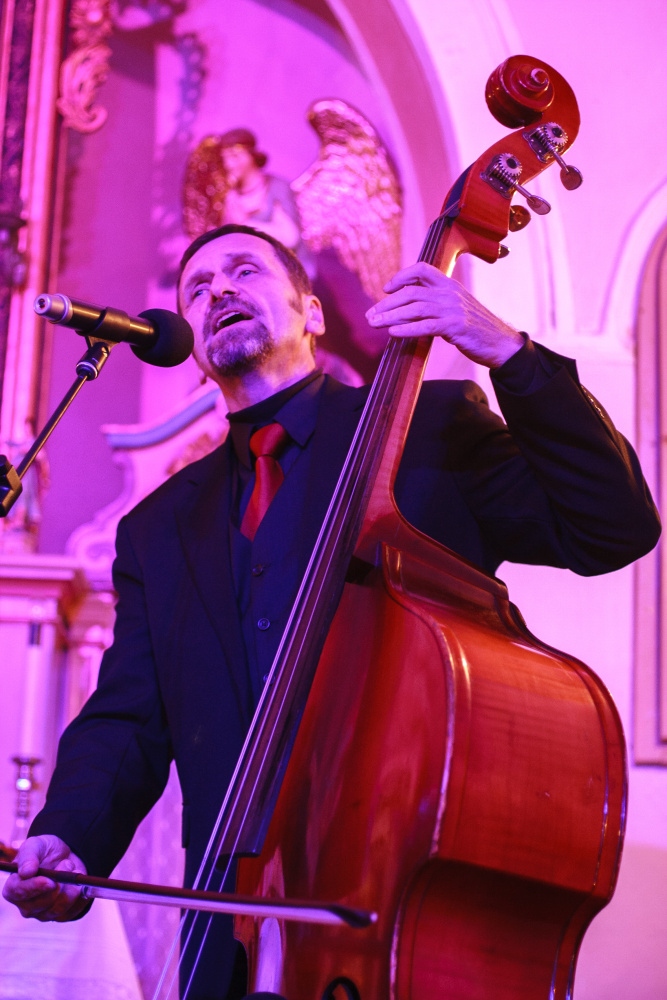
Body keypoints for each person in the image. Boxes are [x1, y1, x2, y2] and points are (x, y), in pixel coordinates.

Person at [3, 224, 660, 999]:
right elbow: (128, 717)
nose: (218, 291)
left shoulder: (427, 429)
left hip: (394, 912)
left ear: (311, 313)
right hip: (227, 921)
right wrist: (71, 835)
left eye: (243, 271)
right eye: (197, 288)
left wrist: (509, 355)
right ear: (195, 348)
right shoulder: (158, 527)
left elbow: (610, 524)